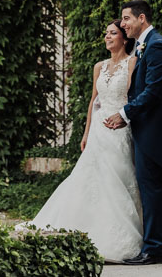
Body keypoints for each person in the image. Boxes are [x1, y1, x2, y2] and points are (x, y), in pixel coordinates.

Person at [20, 20, 143, 262]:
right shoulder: (99, 66)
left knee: (117, 179)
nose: (107, 37)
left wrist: (125, 118)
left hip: (120, 128)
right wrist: (86, 132)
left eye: (112, 33)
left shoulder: (133, 63)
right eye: (105, 33)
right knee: (90, 178)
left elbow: (133, 97)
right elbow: (93, 101)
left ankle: (116, 235)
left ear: (124, 38)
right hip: (98, 129)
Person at [104, 0, 162, 266]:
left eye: (126, 19)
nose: (123, 24)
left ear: (142, 18)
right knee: (154, 188)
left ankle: (153, 249)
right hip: (147, 128)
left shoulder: (157, 46)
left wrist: (125, 114)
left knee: (150, 187)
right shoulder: (145, 46)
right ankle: (159, 246)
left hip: (154, 130)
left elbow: (153, 91)